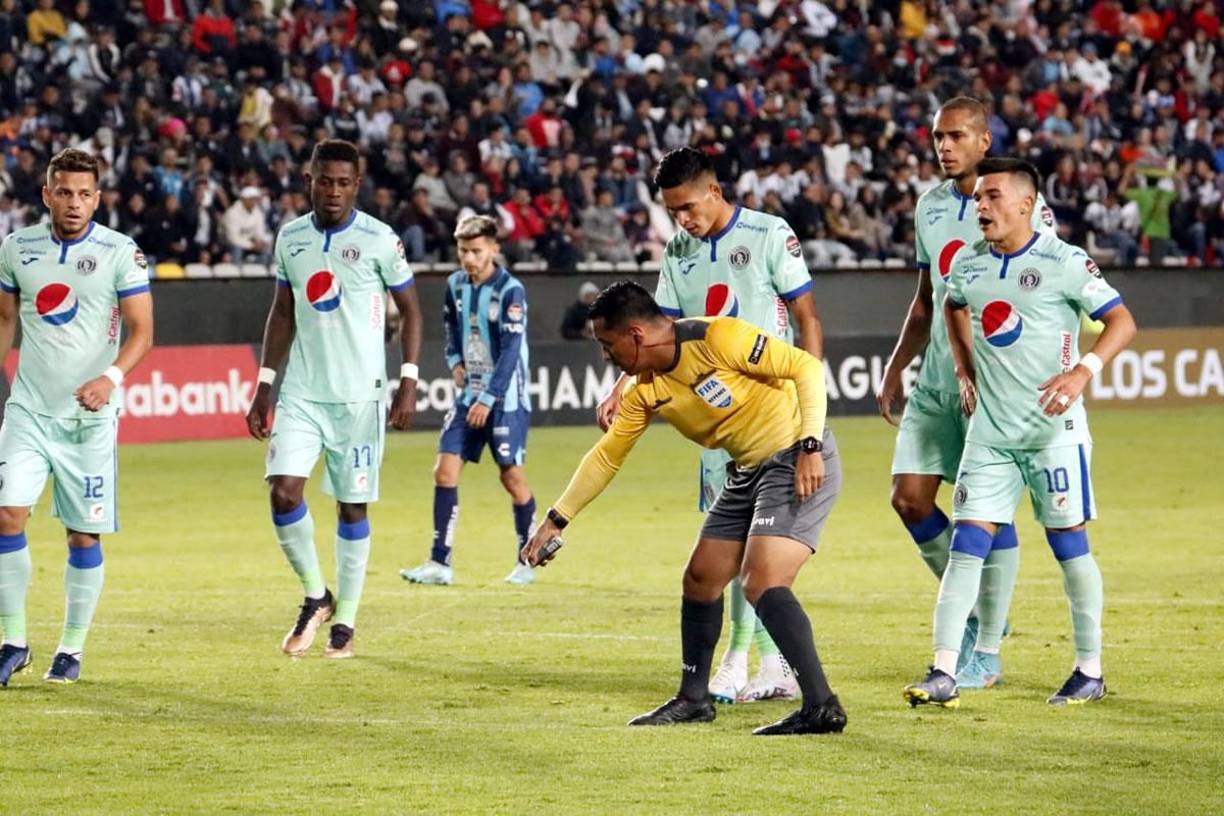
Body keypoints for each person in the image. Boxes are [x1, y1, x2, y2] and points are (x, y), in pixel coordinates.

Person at [523, 281, 845, 736]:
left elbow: (805, 368)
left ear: (635, 335)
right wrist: (555, 519)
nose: (605, 356)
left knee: (762, 579)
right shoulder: (643, 391)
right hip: (746, 470)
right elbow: (607, 456)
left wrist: (811, 443)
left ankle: (822, 706)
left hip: (796, 457)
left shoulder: (718, 338)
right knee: (700, 578)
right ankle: (693, 699)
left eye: (606, 344)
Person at [597, 146, 827, 705]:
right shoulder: (679, 250)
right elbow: (660, 330)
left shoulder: (770, 234)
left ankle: (747, 660)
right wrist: (622, 385)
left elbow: (807, 319)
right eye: (674, 211)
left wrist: (811, 412)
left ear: (716, 192)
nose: (683, 220)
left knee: (758, 548)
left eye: (690, 207)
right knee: (721, 545)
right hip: (712, 410)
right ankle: (755, 662)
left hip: (770, 410)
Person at [903, 158, 1136, 709]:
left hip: (1054, 434)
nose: (980, 207)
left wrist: (1082, 371)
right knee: (966, 549)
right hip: (990, 437)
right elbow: (952, 307)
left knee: (1068, 546)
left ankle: (1089, 670)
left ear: (1027, 205)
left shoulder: (1064, 261)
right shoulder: (971, 265)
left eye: (992, 197)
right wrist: (964, 368)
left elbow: (1122, 322)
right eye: (978, 198)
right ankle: (944, 670)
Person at [877, 97, 1058, 690]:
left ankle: (986, 650)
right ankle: (982, 613)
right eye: (937, 137)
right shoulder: (930, 208)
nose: (944, 147)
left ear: (984, 142)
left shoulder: (1025, 210)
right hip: (936, 378)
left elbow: (1043, 296)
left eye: (955, 136)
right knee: (909, 499)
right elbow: (927, 298)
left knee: (987, 509)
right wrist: (896, 364)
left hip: (993, 386)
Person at [245, 139, 423, 660]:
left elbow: (411, 311)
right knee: (283, 493)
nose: (334, 191)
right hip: (302, 392)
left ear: (356, 186)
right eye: (326, 181)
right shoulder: (291, 238)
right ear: (309, 180)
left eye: (344, 183)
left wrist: (407, 381)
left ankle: (345, 618)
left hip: (359, 397)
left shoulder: (380, 240)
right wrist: (263, 386)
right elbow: (282, 313)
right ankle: (315, 594)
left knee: (352, 504)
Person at [0, 148, 154, 684]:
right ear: (46, 194)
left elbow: (142, 331)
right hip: (28, 411)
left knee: (81, 536)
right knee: (6, 516)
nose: (74, 202)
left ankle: (71, 647)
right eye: (63, 192)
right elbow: (4, 320)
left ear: (98, 198)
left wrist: (108, 379)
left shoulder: (120, 253)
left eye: (85, 194)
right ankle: (13, 641)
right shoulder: (17, 248)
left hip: (88, 419)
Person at [400, 215, 537, 586]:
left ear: (494, 248)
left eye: (477, 251)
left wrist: (489, 397)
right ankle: (439, 562)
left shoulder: (511, 290)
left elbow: (510, 351)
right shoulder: (455, 285)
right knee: (444, 471)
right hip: (468, 394)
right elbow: (449, 327)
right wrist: (454, 361)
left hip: (505, 399)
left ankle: (529, 558)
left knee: (512, 478)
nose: (469, 259)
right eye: (463, 251)